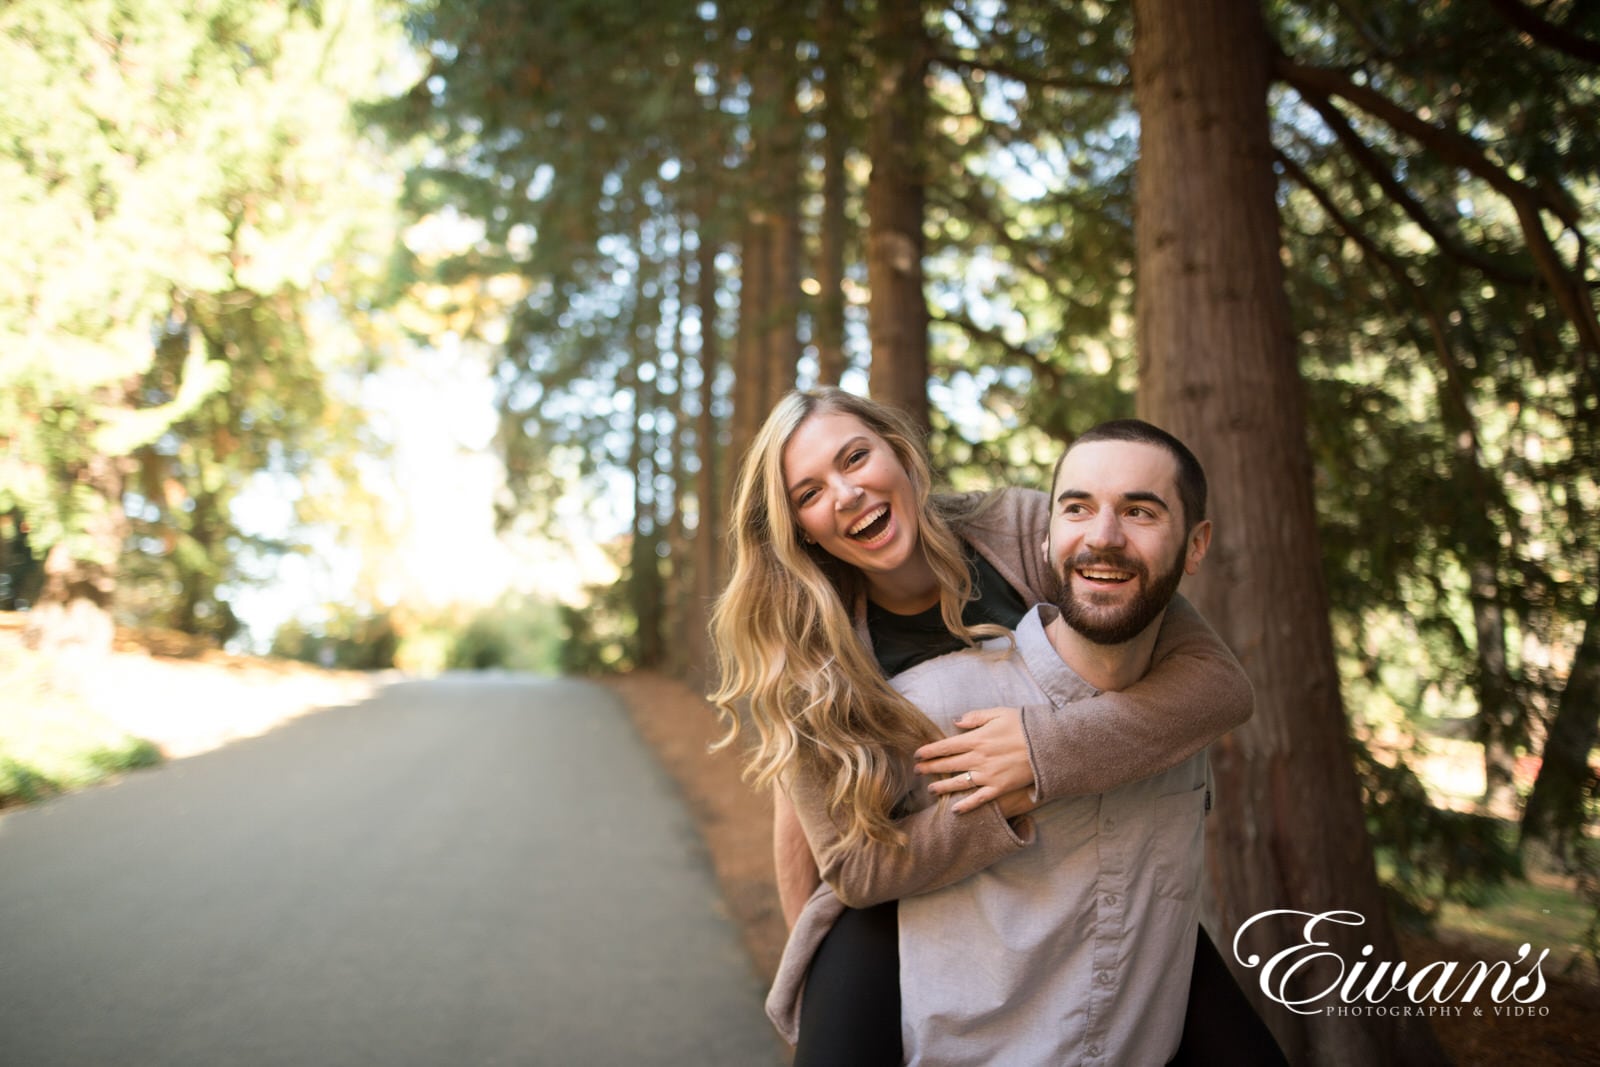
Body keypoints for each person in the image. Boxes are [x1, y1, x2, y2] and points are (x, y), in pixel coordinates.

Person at [708, 389, 1271, 1063]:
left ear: (900, 452)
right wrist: (992, 801)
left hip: (1087, 874)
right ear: (799, 524)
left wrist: (1043, 752)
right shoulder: (805, 652)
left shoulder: (1020, 527)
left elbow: (1216, 685)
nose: (848, 492)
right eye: (809, 491)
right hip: (896, 906)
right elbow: (841, 856)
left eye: (856, 456)